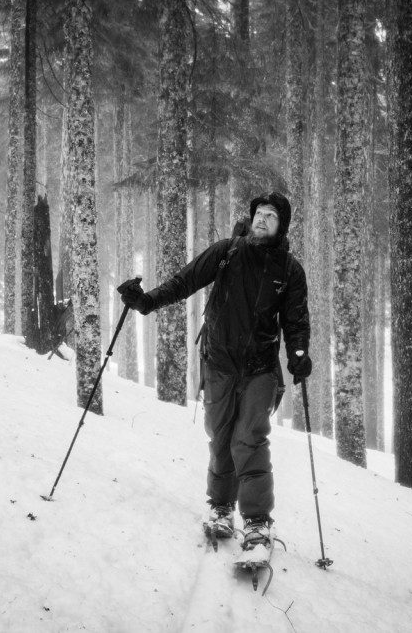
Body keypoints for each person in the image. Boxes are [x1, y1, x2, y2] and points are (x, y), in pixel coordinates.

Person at [119, 192, 311, 552]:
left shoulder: (289, 270)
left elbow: (296, 321)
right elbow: (184, 282)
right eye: (259, 213)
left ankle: (256, 521)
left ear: (281, 225)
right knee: (221, 437)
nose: (262, 219)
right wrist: (145, 302)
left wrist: (299, 354)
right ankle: (221, 508)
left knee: (249, 439)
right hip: (220, 363)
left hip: (260, 369)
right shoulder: (226, 252)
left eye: (271, 215)